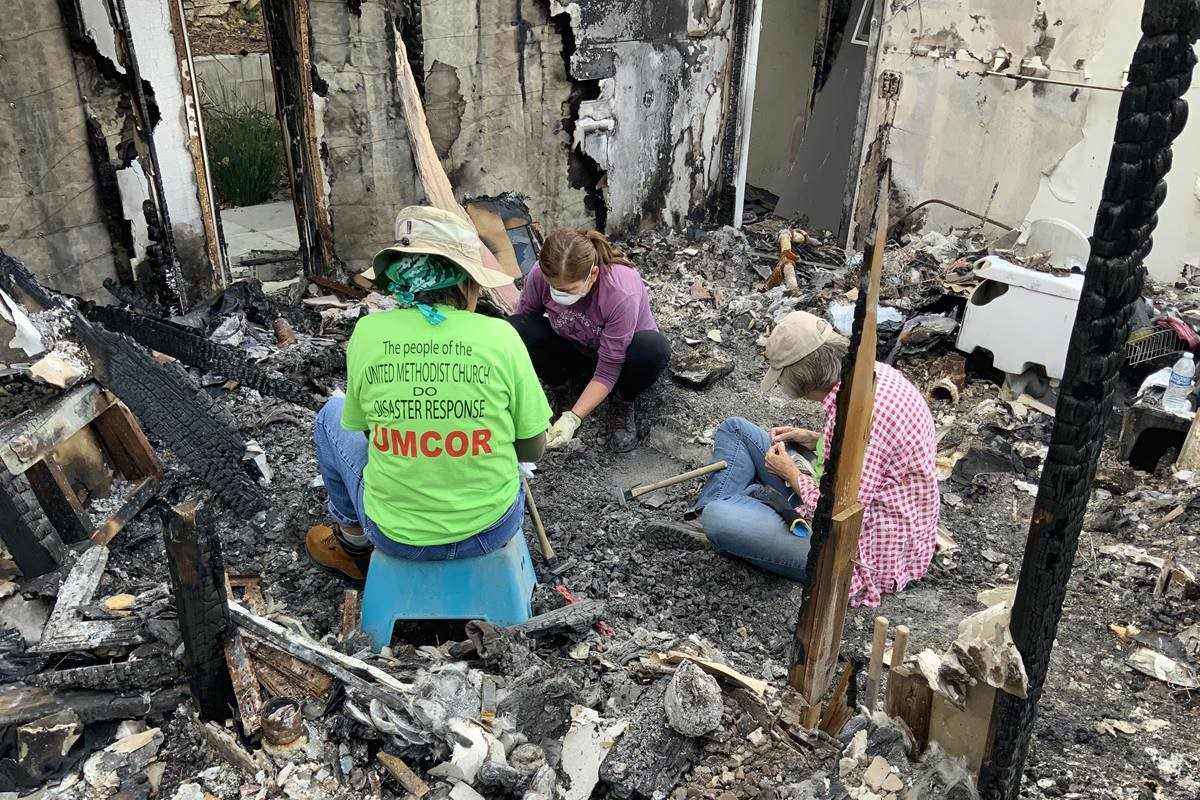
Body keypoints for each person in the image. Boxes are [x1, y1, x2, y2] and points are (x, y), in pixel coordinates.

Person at [307, 206, 553, 581]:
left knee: (330, 417)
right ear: (469, 282)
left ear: (401, 280)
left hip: (398, 537)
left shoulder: (369, 333)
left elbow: (372, 436)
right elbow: (532, 448)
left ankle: (353, 542)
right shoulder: (501, 336)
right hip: (490, 529)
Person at [690, 311, 939, 607]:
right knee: (736, 430)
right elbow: (871, 458)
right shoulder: (867, 375)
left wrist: (791, 474)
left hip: (858, 551)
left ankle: (727, 517)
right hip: (851, 504)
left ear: (801, 376)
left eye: (782, 377)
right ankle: (734, 514)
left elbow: (838, 512)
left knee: (719, 517)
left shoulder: (861, 417)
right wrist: (813, 438)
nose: (782, 386)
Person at [508, 229, 670, 453]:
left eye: (569, 290)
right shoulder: (541, 274)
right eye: (554, 287)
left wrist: (573, 419)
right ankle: (563, 388)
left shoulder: (620, 291)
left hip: (623, 359)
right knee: (517, 328)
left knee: (653, 349)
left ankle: (622, 402)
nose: (559, 295)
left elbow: (608, 368)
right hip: (576, 348)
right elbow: (521, 326)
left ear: (593, 275)